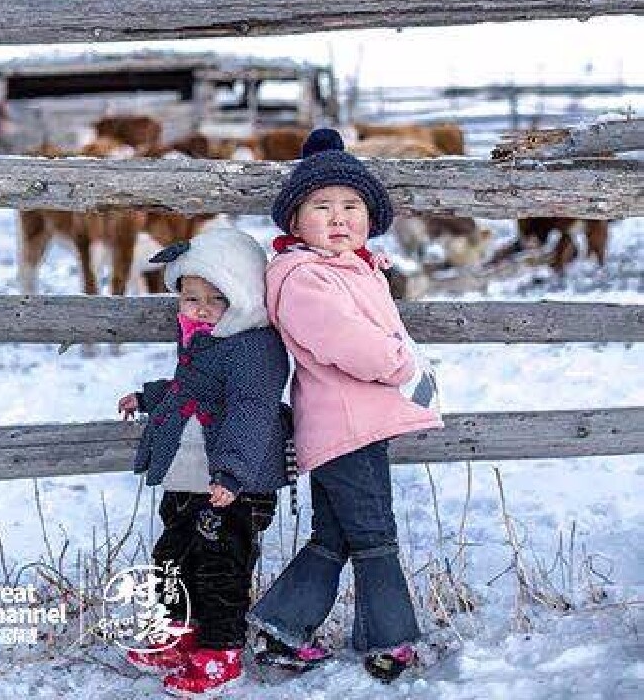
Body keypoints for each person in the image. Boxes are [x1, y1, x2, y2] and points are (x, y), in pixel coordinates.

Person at [248, 128, 443, 684]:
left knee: (335, 536)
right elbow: (344, 339)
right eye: (322, 207)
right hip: (344, 429)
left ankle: (281, 628)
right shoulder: (303, 278)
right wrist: (401, 364)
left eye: (351, 206)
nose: (339, 217)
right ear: (295, 222)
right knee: (375, 533)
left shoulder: (353, 268)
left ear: (369, 217)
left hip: (356, 426)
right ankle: (390, 641)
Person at [117, 227, 290, 696]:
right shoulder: (202, 338)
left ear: (245, 297)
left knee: (220, 563)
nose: (202, 308)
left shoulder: (255, 348)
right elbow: (192, 388)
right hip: (190, 474)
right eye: (191, 298)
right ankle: (182, 632)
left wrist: (232, 474)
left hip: (235, 482)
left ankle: (221, 649)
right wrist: (150, 397)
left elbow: (253, 411)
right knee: (174, 554)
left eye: (217, 298)